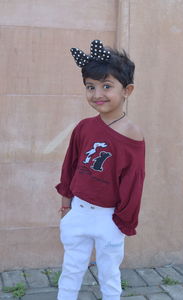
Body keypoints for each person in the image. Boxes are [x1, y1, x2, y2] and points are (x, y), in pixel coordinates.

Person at [55, 39, 145, 300]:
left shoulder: (132, 135)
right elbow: (70, 165)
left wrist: (123, 221)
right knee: (71, 269)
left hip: (110, 217)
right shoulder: (84, 127)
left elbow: (134, 181)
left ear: (127, 90)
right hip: (79, 211)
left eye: (107, 86)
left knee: (109, 273)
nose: (97, 94)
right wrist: (66, 206)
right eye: (90, 87)